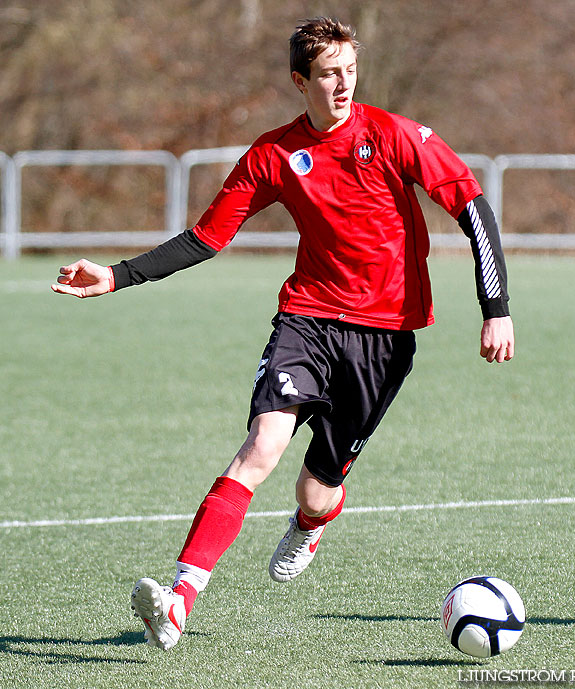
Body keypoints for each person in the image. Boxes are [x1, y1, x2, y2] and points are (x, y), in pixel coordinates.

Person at [51, 16, 514, 651]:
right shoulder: (272, 155)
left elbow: (472, 206)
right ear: (301, 81)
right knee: (261, 445)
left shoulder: (396, 135)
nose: (343, 84)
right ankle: (180, 599)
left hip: (385, 336)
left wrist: (496, 307)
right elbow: (205, 239)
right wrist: (117, 275)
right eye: (328, 74)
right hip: (308, 319)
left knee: (316, 490)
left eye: (350, 69)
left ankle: (311, 520)